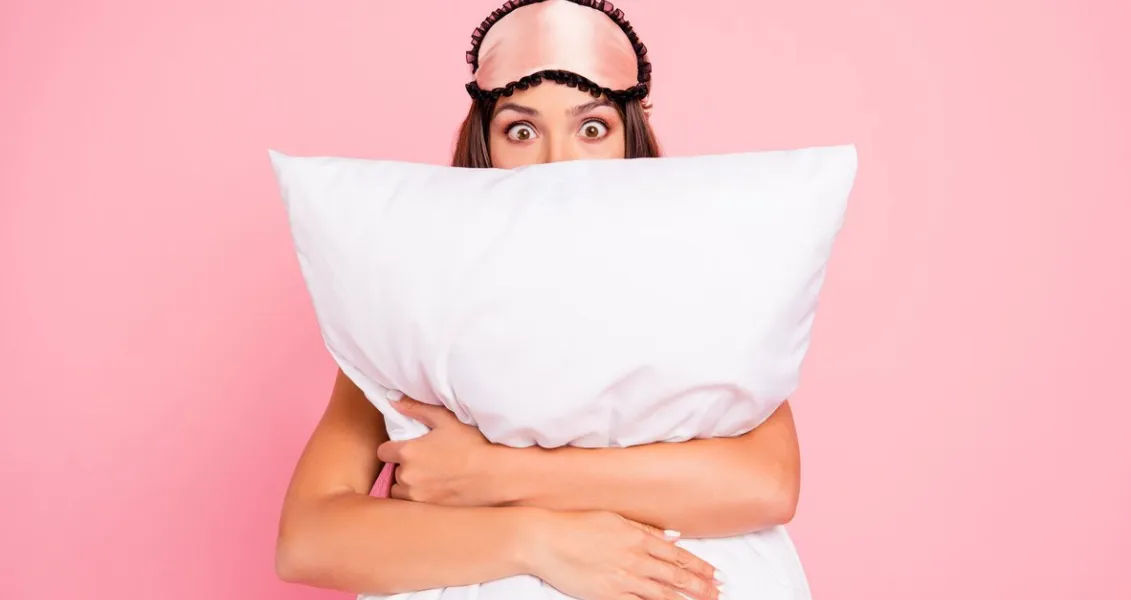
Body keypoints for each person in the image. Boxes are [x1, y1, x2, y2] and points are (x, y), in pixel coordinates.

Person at [275, 1, 811, 599]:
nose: (559, 162)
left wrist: (494, 473)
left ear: (629, 141)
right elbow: (308, 539)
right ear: (484, 146)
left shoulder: (695, 283)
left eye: (591, 128)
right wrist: (537, 540)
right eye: (522, 130)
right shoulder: (415, 307)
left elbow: (767, 485)